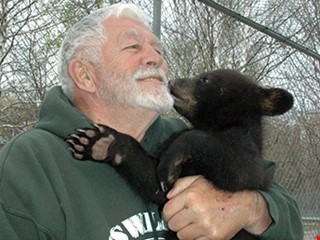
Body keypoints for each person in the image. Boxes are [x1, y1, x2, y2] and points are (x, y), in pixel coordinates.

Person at [0, 3, 303, 240]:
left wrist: (248, 210)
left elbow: (288, 215)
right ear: (85, 74)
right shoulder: (28, 164)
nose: (154, 58)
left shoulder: (188, 136)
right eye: (134, 47)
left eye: (158, 49)